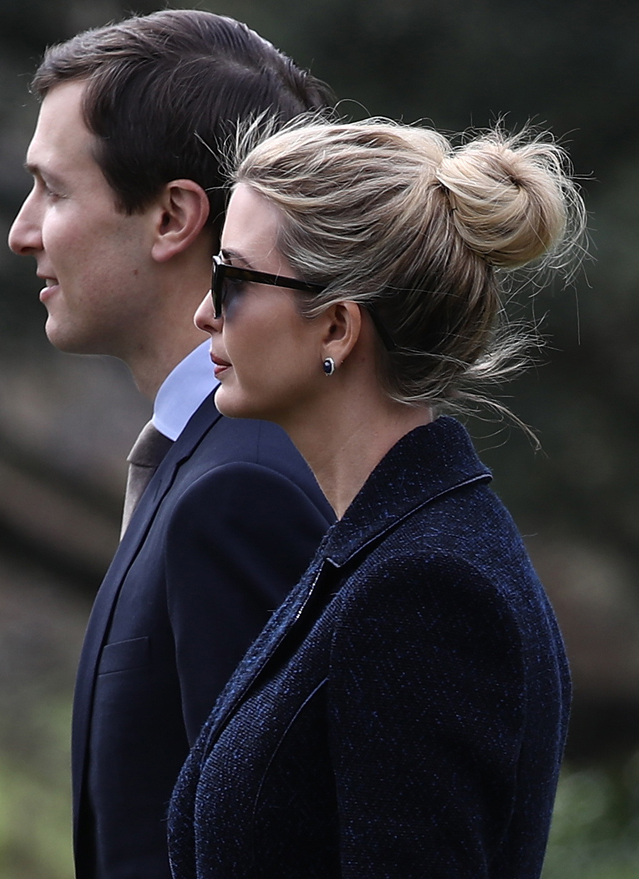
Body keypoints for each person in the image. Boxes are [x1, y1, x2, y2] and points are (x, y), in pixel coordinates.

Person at [167, 118, 583, 878]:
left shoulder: (425, 591)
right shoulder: (383, 553)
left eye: (231, 278)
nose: (204, 312)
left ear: (336, 326)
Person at [7, 11, 335, 879]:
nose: (22, 230)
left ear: (172, 217)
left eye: (53, 191)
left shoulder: (244, 490)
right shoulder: (211, 465)